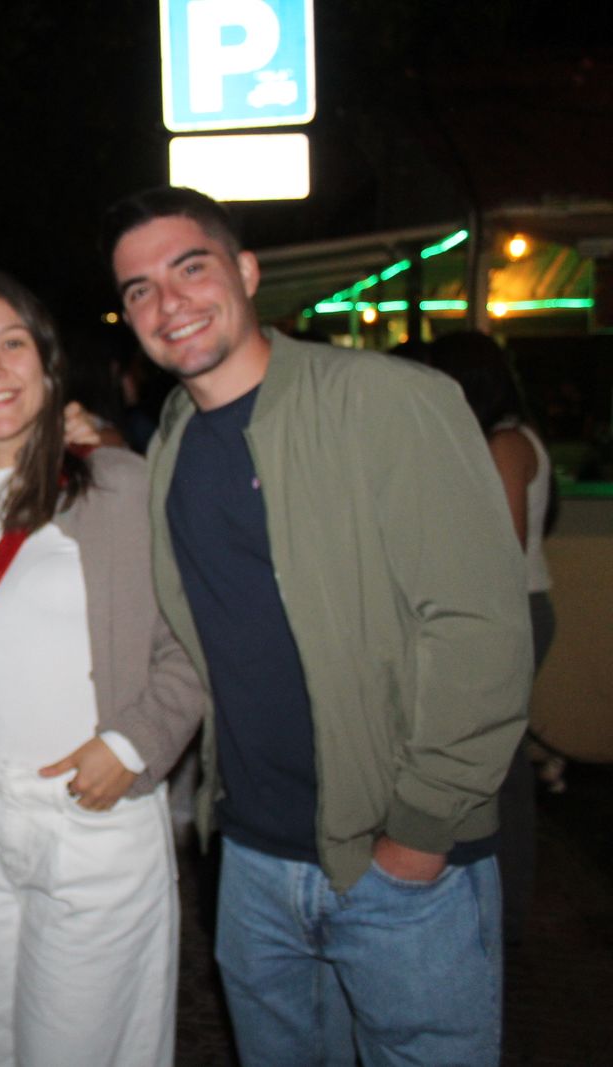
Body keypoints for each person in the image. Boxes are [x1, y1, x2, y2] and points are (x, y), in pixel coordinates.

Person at [103, 185, 533, 1066]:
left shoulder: (385, 400)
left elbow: (481, 627)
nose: (168, 301)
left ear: (247, 271)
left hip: (403, 860)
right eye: (140, 288)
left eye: (191, 267)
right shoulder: (173, 439)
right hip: (253, 862)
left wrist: (418, 831)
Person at [0, 271, 204, 1066]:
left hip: (92, 820)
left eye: (11, 344)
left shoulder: (122, 488)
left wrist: (131, 746)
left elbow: (196, 643)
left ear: (49, 364)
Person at [428, 330, 556, 943]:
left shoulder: (505, 441)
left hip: (513, 611)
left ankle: (502, 908)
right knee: (502, 762)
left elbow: (499, 544)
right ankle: (501, 902)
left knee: (500, 767)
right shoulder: (511, 435)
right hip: (519, 607)